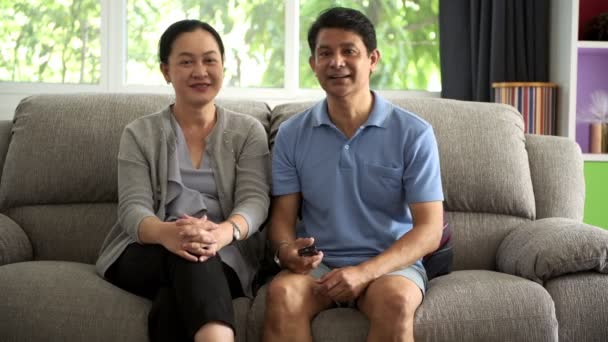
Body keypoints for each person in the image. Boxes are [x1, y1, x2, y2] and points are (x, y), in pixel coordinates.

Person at [263, 7, 444, 342]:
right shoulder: (292, 133)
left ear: (372, 59)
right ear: (312, 65)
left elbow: (430, 230)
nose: (336, 62)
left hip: (388, 266)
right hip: (318, 266)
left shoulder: (414, 133)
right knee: (282, 294)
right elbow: (282, 218)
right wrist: (287, 250)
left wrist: (365, 272)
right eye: (325, 53)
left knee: (397, 300)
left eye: (349, 51)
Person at [95, 19, 270, 342]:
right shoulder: (139, 133)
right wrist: (167, 234)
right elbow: (133, 208)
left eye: (209, 60)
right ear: (166, 70)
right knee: (193, 256)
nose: (200, 71)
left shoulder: (247, 132)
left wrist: (222, 232)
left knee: (184, 280)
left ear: (223, 66)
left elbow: (256, 202)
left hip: (226, 248)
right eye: (186, 61)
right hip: (146, 248)